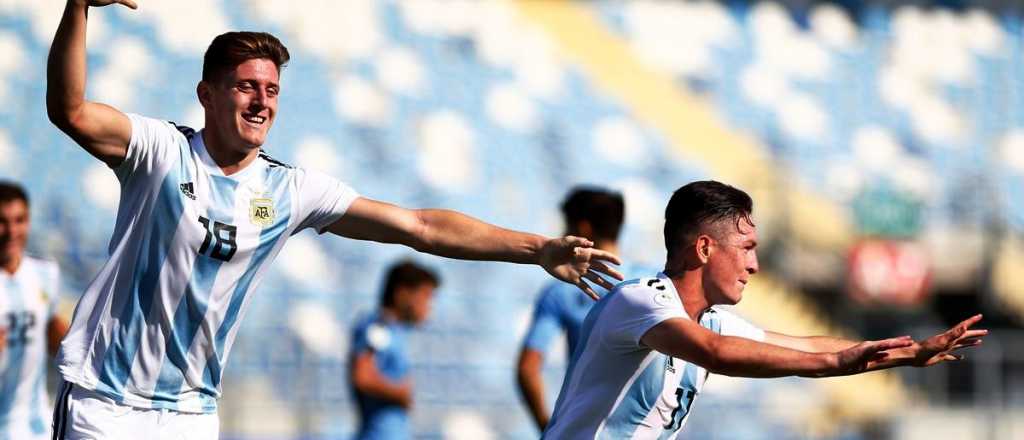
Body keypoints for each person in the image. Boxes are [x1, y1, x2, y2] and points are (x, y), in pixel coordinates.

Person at [45, 2, 621, 438]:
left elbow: (419, 226)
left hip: (192, 411)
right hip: (105, 401)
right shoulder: (159, 150)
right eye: (245, 86)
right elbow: (69, 109)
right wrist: (77, 5)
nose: (260, 102)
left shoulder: (289, 190)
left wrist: (536, 248)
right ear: (207, 94)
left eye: (271, 90)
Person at [542, 180, 988, 439]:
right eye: (747, 248)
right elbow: (717, 353)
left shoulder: (709, 320)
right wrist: (832, 361)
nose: (755, 264)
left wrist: (911, 354)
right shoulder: (640, 299)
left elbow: (806, 345)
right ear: (703, 249)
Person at [516, 187, 652, 431]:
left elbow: (527, 368)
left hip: (583, 427)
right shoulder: (653, 282)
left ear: (582, 229)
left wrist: (549, 429)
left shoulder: (561, 291)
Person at [0, 182, 70, 440]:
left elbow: (53, 333)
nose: (11, 231)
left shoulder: (45, 274)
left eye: (19, 220)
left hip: (38, 425)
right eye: (2, 221)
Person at [349, 261, 438, 440]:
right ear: (403, 293)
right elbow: (363, 376)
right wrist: (401, 394)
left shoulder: (395, 331)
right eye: (426, 297)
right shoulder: (378, 327)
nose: (429, 306)